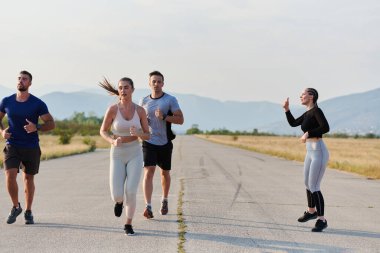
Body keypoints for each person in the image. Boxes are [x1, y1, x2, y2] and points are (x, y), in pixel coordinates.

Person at [0, 70, 55, 225]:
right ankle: (16, 206)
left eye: (24, 79)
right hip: (12, 145)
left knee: (28, 178)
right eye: (19, 78)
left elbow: (51, 124)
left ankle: (28, 211)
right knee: (10, 174)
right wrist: (2, 131)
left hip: (31, 146)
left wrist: (36, 126)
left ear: (30, 83)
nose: (21, 81)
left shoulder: (37, 103)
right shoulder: (7, 101)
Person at [99, 77, 150, 235]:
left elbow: (148, 135)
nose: (123, 90)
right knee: (117, 194)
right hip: (118, 153)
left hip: (135, 152)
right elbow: (103, 131)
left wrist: (139, 133)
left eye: (126, 87)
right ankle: (119, 202)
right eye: (120, 87)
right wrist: (112, 141)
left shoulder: (140, 111)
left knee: (131, 191)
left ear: (132, 90)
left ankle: (128, 223)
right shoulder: (113, 109)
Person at [283, 88, 330, 232]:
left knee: (314, 185)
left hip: (319, 152)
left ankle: (322, 220)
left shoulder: (317, 111)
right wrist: (287, 110)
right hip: (310, 152)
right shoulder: (308, 113)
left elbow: (325, 127)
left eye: (303, 94)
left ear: (312, 96)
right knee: (307, 183)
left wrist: (308, 133)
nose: (301, 96)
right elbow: (293, 123)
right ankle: (311, 212)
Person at [139, 71, 184, 219]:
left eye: (159, 82)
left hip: (164, 142)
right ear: (149, 83)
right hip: (149, 141)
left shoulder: (170, 100)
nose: (156, 84)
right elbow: (139, 121)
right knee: (149, 171)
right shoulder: (144, 101)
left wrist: (164, 116)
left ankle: (164, 200)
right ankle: (148, 206)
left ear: (163, 84)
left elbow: (181, 119)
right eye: (154, 81)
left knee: (164, 173)